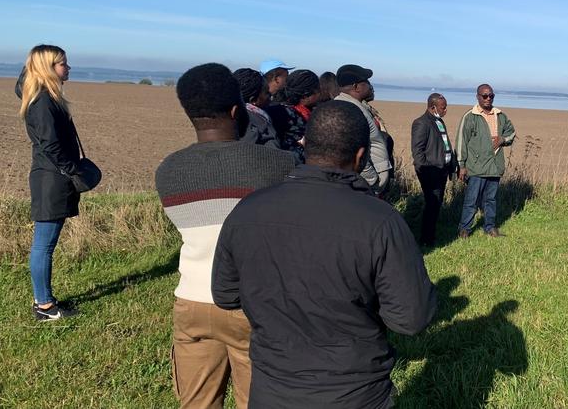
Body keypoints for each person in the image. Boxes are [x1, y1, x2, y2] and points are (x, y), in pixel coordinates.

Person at [212, 100, 436, 408]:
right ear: (360, 156)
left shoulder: (247, 210)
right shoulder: (380, 221)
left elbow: (225, 294)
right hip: (354, 391)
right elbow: (411, 319)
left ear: (305, 145)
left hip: (270, 389)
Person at [155, 63, 295, 408]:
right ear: (237, 110)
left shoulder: (167, 170)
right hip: (256, 302)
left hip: (191, 303)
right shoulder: (281, 165)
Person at [18, 45, 81, 321]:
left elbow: (24, 80)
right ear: (48, 68)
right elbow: (51, 144)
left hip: (51, 176)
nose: (68, 68)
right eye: (63, 64)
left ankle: (44, 300)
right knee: (44, 244)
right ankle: (43, 305)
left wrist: (34, 62)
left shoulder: (39, 94)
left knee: (45, 243)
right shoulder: (43, 102)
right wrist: (71, 170)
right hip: (51, 179)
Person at [455, 84, 516, 239]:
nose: (488, 98)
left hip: (495, 166)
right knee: (471, 200)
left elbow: (512, 133)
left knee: (491, 200)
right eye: (484, 96)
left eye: (491, 96)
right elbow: (461, 141)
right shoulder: (469, 116)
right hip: (476, 167)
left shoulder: (500, 115)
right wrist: (461, 165)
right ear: (477, 97)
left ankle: (490, 227)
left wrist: (503, 139)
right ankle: (464, 229)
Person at [334, 64, 392, 194]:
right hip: (366, 185)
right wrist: (371, 180)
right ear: (356, 87)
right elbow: (353, 150)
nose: (370, 86)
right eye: (366, 82)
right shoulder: (350, 110)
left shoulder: (354, 105)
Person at [411, 93, 458, 246]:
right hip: (431, 172)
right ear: (433, 107)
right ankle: (427, 239)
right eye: (443, 108)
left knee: (436, 204)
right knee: (432, 204)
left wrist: (451, 166)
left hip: (442, 171)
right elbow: (418, 152)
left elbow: (445, 145)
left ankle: (431, 235)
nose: (445, 110)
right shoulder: (421, 123)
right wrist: (425, 171)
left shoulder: (439, 121)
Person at [265, 69, 320, 163]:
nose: (319, 94)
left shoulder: (274, 109)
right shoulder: (299, 117)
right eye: (318, 90)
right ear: (306, 95)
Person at [232, 67, 280, 147]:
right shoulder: (256, 124)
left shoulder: (224, 116)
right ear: (253, 99)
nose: (270, 97)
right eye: (267, 93)